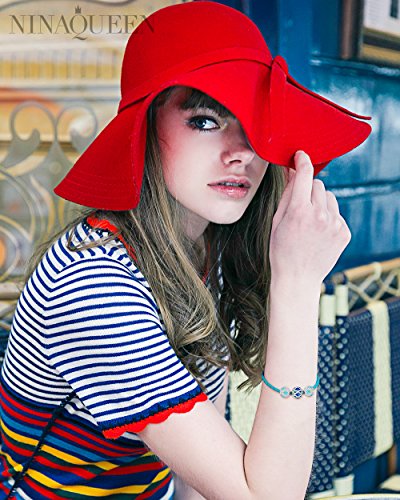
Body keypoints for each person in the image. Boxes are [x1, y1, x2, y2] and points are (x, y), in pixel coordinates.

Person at [0, 2, 372, 499]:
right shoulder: (92, 284)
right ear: (144, 132)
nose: (242, 151)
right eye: (204, 121)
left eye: (255, 124)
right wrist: (298, 286)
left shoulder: (202, 250)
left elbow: (194, 479)